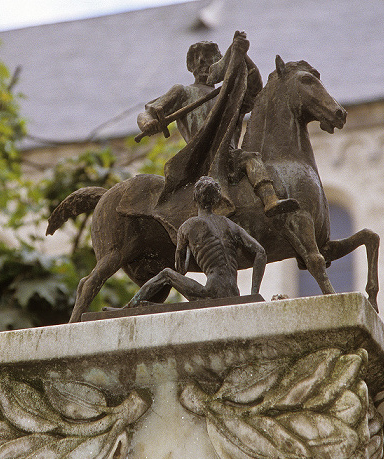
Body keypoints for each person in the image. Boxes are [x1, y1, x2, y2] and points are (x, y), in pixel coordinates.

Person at [138, 32, 299, 217]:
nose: (202, 63)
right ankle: (269, 200)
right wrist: (147, 123)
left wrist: (240, 55)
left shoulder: (229, 95)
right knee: (250, 158)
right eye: (196, 59)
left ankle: (271, 202)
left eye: (208, 58)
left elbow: (254, 89)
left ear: (220, 64)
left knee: (251, 159)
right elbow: (147, 113)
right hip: (201, 157)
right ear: (190, 66)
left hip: (229, 156)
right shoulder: (182, 92)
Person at [126, 176, 266, 306]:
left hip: (211, 293)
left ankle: (130, 306)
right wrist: (253, 294)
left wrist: (186, 249)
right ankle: (146, 305)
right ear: (216, 200)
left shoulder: (188, 226)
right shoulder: (229, 224)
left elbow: (180, 270)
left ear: (195, 198)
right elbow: (260, 252)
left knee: (167, 274)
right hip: (234, 293)